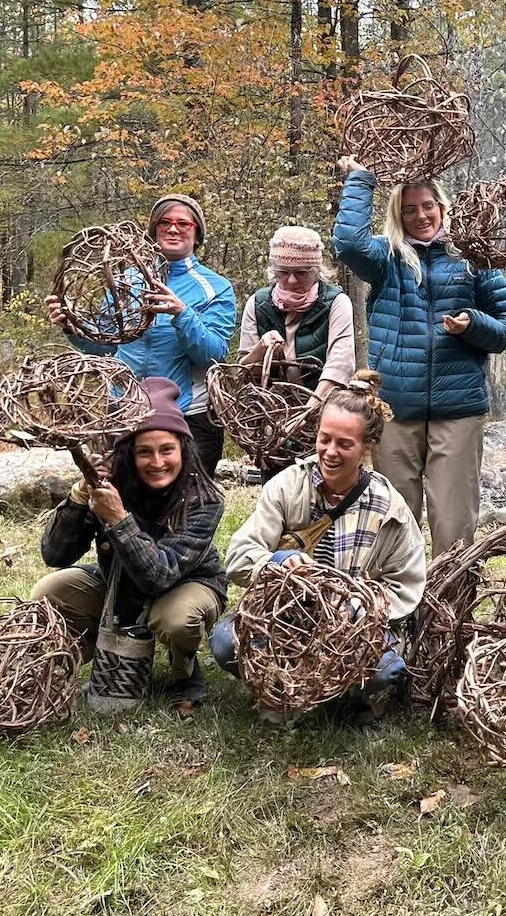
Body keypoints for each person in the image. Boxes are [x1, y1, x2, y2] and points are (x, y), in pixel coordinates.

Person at [331, 157, 506, 556]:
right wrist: (361, 180)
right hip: (396, 406)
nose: (420, 216)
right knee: (394, 520)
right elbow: (347, 244)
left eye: (428, 206)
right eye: (409, 209)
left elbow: (505, 330)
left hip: (458, 408)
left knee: (454, 523)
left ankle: (452, 609)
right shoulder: (386, 258)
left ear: (442, 207)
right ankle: (398, 611)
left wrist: (473, 324)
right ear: (398, 214)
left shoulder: (474, 257)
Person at [213, 370, 427, 700]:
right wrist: (277, 564)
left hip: (352, 628)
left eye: (344, 444)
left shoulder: (390, 509)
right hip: (286, 617)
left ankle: (340, 696)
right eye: (324, 438)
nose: (329, 451)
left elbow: (406, 585)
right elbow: (240, 556)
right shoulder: (288, 486)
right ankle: (285, 688)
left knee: (385, 668)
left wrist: (356, 606)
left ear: (367, 446)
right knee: (226, 643)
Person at [31, 377, 226, 714]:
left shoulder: (203, 499)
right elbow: (55, 555)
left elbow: (160, 577)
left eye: (167, 450)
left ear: (183, 448)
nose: (158, 462)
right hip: (119, 582)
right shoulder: (112, 486)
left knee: (176, 618)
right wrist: (79, 497)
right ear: (129, 454)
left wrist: (119, 519)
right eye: (144, 452)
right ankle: (91, 656)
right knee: (50, 590)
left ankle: (185, 671)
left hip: (185, 585)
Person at [45, 194, 238, 477]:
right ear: (153, 231)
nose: (173, 229)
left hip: (188, 415)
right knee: (123, 505)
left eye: (183, 224)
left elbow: (214, 354)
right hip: (125, 411)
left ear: (197, 234)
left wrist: (181, 314)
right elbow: (105, 348)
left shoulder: (215, 287)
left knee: (189, 509)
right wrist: (70, 327)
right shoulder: (125, 281)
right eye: (165, 223)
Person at [237, 226, 355, 449]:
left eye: (301, 272)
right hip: (271, 415)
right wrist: (261, 349)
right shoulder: (258, 303)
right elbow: (242, 372)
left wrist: (304, 416)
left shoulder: (336, 302)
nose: (291, 280)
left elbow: (339, 366)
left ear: (317, 270)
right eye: (283, 272)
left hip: (322, 414)